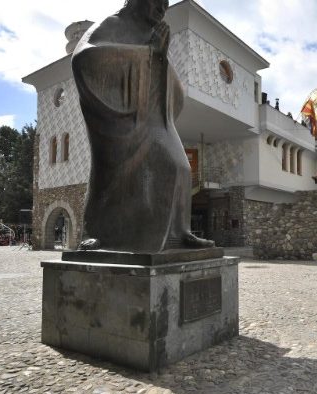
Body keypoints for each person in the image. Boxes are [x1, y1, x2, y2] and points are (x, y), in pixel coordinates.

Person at [72, 0, 213, 252]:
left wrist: (158, 55)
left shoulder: (151, 33)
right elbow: (84, 59)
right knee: (130, 172)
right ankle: (101, 233)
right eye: (157, 1)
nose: (162, 9)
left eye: (166, 4)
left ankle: (179, 233)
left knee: (181, 167)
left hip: (155, 119)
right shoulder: (113, 24)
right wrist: (149, 53)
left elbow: (173, 88)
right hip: (119, 126)